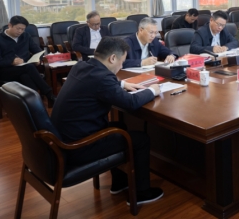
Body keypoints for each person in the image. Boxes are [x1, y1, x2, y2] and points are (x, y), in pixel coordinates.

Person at [51, 37, 164, 205]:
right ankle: (141, 193)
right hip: (79, 147)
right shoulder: (102, 79)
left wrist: (121, 84)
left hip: (64, 137)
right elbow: (131, 103)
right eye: (121, 62)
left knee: (120, 126)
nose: (121, 66)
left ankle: (119, 182)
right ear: (112, 58)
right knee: (141, 140)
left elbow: (98, 83)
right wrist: (152, 91)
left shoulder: (82, 66)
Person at [0, 15, 55, 106]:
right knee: (28, 67)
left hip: (25, 69)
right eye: (18, 28)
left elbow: (38, 51)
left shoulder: (26, 36)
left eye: (23, 29)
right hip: (7, 71)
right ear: (10, 25)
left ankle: (35, 103)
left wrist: (38, 59)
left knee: (26, 76)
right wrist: (11, 61)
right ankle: (49, 94)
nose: (20, 31)